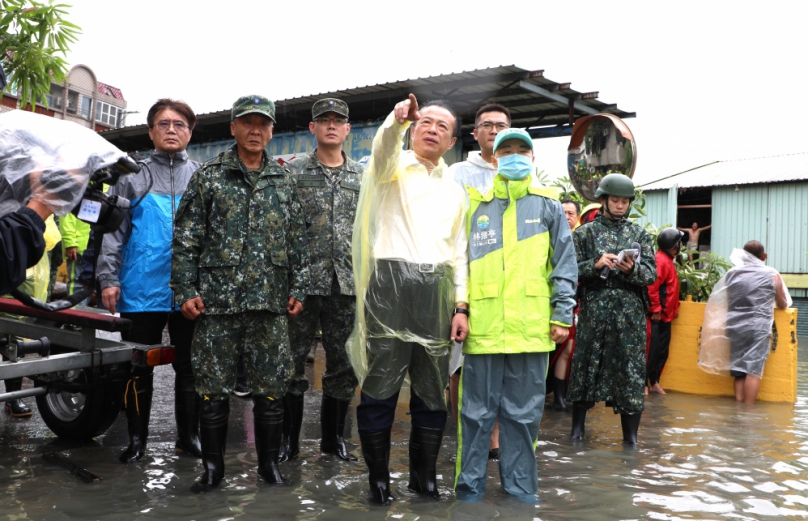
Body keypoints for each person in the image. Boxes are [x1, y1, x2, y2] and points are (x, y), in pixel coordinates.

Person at [171, 95, 310, 491]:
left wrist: (300, 286)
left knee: (271, 390)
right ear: (233, 128)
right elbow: (185, 240)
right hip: (217, 304)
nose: (255, 130)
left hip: (269, 303)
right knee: (212, 392)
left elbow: (298, 239)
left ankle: (268, 467)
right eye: (247, 123)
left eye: (262, 124)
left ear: (271, 131)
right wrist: (185, 289)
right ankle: (213, 471)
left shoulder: (284, 179)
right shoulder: (210, 176)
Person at [346, 94, 469, 503]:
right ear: (414, 129)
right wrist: (394, 122)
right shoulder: (391, 169)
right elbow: (381, 152)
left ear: (451, 141)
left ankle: (424, 479)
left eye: (442, 126)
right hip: (389, 285)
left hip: (437, 290)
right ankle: (379, 481)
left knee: (433, 389)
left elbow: (460, 251)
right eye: (425, 122)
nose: (432, 129)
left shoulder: (456, 189)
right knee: (381, 383)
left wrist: (461, 306)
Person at [454, 128, 576, 497]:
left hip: (531, 331)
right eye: (506, 149)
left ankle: (521, 495)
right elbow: (460, 262)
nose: (514, 155)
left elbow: (564, 265)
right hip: (485, 330)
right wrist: (460, 309)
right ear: (495, 158)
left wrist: (561, 315)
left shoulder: (549, 205)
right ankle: (468, 494)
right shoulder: (475, 205)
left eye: (522, 150)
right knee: (474, 418)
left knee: (522, 419)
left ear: (533, 158)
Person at [97, 99, 202, 463]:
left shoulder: (202, 177)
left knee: (189, 367)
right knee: (138, 367)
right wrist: (108, 277)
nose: (171, 130)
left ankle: (188, 437)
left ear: (190, 131)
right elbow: (112, 233)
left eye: (179, 124)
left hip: (190, 291)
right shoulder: (131, 177)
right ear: (151, 131)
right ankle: (137, 440)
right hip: (141, 288)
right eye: (163, 124)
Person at [282, 98, 363, 462]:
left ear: (348, 130)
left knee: (343, 364)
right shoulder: (292, 171)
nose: (331, 125)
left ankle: (334, 440)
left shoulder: (362, 177)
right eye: (323, 120)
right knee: (292, 362)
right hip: (301, 284)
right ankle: (289, 441)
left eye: (338, 121)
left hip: (345, 285)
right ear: (312, 128)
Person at [566, 173, 656, 445]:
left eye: (625, 201)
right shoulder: (584, 233)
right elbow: (567, 271)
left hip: (629, 318)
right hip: (594, 313)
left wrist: (632, 270)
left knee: (630, 374)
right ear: (603, 200)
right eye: (615, 200)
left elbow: (651, 273)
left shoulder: (639, 234)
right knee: (585, 367)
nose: (620, 206)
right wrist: (594, 265)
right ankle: (577, 431)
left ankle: (631, 439)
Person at [448, 103, 511, 459]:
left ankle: (496, 439)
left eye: (501, 125)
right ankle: (463, 430)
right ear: (475, 133)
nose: (494, 130)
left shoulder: (520, 172)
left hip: (506, 282)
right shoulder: (458, 172)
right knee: (460, 359)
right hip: (466, 276)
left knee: (499, 363)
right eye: (487, 125)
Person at [699, 241, 790, 404]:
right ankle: (748, 414)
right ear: (764, 256)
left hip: (734, 327)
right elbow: (783, 303)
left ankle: (738, 411)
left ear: (743, 255)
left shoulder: (732, 273)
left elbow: (724, 298)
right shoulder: (772, 274)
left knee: (739, 370)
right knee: (753, 371)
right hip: (758, 328)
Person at [548, 198, 582, 411]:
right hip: (548, 302)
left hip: (573, 303)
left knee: (567, 349)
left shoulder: (580, 239)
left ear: (577, 217)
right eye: (564, 212)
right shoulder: (548, 236)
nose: (567, 217)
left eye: (571, 213)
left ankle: (560, 397)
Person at [646, 228, 684, 395]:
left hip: (665, 317)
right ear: (675, 245)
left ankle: (654, 382)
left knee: (661, 352)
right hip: (657, 316)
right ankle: (643, 384)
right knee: (651, 351)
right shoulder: (660, 261)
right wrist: (655, 309)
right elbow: (652, 286)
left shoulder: (667, 260)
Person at [59, 213, 90, 300]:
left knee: (89, 285)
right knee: (77, 284)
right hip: (78, 247)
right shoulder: (74, 199)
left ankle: (83, 312)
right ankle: (75, 311)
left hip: (91, 247)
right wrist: (70, 243)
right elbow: (66, 216)